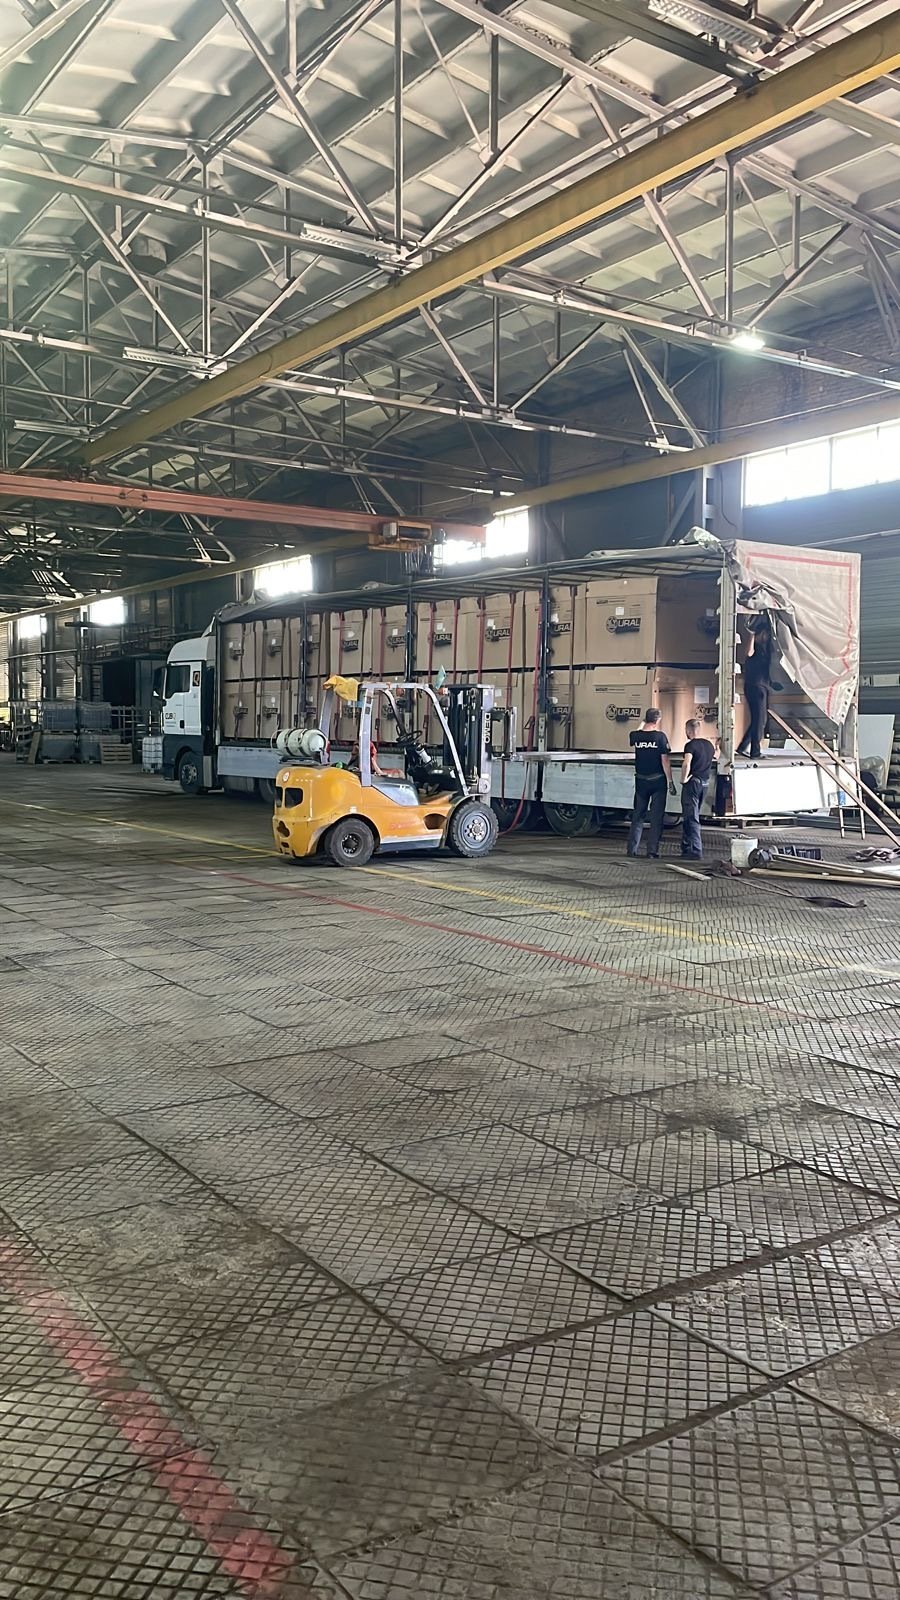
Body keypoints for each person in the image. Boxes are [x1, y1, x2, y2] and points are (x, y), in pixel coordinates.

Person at [627, 709, 674, 859]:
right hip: (657, 781)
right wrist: (670, 781)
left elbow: (637, 731)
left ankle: (632, 850)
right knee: (656, 818)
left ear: (645, 719)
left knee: (638, 816)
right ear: (658, 720)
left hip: (641, 781)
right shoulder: (660, 737)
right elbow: (665, 761)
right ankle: (652, 851)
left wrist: (643, 722)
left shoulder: (636, 736)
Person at [737, 615, 775, 759]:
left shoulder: (766, 649)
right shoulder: (756, 648)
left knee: (759, 720)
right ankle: (755, 752)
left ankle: (743, 747)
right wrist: (752, 635)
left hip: (761, 686)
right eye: (765, 634)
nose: (766, 637)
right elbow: (748, 653)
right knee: (759, 721)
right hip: (755, 687)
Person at [680, 718, 717, 860]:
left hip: (693, 784)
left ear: (688, 730)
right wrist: (718, 746)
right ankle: (686, 848)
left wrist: (683, 779)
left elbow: (686, 763)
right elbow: (717, 756)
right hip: (704, 784)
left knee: (692, 818)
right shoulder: (708, 745)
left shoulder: (690, 746)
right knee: (690, 816)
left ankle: (696, 850)